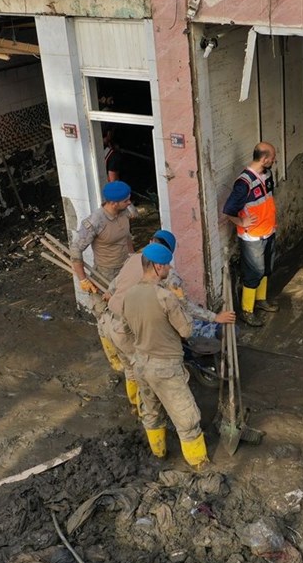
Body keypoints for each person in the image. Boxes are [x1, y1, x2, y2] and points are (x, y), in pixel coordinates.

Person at [103, 230, 235, 415]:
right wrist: (214, 317)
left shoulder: (134, 259)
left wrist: (110, 294)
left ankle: (135, 406)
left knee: (131, 369)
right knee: (145, 370)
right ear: (163, 262)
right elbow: (184, 309)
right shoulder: (169, 277)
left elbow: (112, 286)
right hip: (129, 328)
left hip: (109, 323)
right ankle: (147, 411)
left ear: (151, 242)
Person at [122, 243, 208, 469]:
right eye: (167, 265)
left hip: (140, 363)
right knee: (188, 419)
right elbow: (186, 331)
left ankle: (159, 455)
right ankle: (199, 465)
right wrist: (179, 300)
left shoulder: (129, 294)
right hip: (166, 368)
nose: (169, 268)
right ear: (158, 267)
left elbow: (127, 329)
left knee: (151, 412)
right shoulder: (165, 297)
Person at [70, 180, 138, 378]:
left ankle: (130, 345)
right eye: (126, 200)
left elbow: (127, 236)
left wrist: (133, 258)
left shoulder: (125, 211)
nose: (130, 202)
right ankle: (114, 357)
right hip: (105, 274)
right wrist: (83, 279)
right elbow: (75, 250)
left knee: (129, 310)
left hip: (125, 269)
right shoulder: (95, 221)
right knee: (104, 315)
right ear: (113, 203)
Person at [222, 142, 279, 327]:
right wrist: (241, 222)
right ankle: (247, 310)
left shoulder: (267, 175)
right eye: (272, 157)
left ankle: (261, 300)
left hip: (268, 231)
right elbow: (228, 209)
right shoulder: (243, 183)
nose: (274, 160)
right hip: (253, 236)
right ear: (264, 159)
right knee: (253, 272)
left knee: (266, 269)